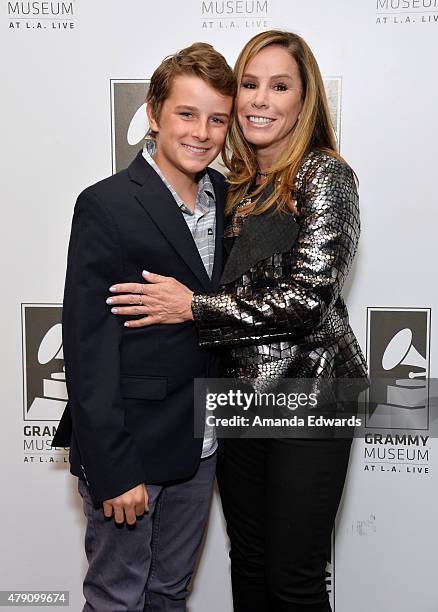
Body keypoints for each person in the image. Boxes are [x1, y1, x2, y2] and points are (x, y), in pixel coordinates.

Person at [107, 30, 368, 612]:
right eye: (249, 85)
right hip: (238, 399)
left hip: (311, 395)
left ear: (305, 101)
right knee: (247, 561)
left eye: (280, 86)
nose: (260, 100)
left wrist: (193, 308)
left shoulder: (323, 174)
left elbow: (306, 298)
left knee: (293, 576)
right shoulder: (233, 186)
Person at [51, 42, 235, 612]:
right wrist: (113, 469)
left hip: (200, 448)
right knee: (116, 597)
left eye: (217, 119)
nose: (201, 132)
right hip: (130, 450)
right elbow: (88, 348)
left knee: (169, 595)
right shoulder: (107, 205)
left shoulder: (231, 199)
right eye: (186, 113)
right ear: (153, 114)